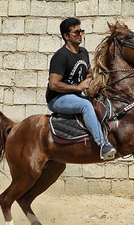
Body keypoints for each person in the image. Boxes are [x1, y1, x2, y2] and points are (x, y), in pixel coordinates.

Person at [46, 18, 117, 160]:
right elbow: (54, 84)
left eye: (81, 31)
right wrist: (78, 87)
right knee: (85, 105)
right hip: (57, 99)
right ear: (66, 36)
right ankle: (103, 144)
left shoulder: (83, 52)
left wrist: (90, 80)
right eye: (76, 32)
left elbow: (88, 71)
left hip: (75, 96)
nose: (80, 34)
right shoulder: (61, 56)